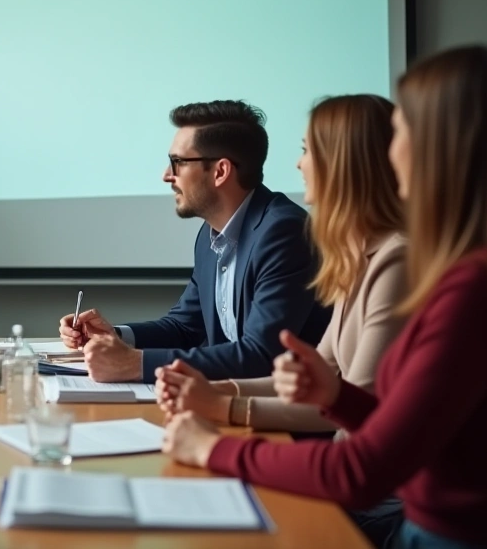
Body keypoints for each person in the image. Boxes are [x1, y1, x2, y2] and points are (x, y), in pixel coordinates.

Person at [163, 47, 487, 549]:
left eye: (401, 131)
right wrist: (336, 395)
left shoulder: (471, 288)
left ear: (439, 149)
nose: (390, 152)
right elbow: (429, 430)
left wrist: (212, 447)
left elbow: (362, 470)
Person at [154, 94, 409, 548]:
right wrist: (217, 393)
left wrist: (223, 413)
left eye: (308, 150)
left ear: (345, 164)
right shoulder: (361, 260)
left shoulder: (395, 264)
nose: (297, 165)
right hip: (350, 486)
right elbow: (323, 378)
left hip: (377, 512)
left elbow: (355, 422)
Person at [60, 100, 329, 383]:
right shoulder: (211, 235)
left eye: (177, 162)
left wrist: (136, 364)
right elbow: (184, 327)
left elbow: (262, 355)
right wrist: (116, 336)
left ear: (221, 171)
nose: (167, 175)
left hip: (286, 416)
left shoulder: (283, 232)